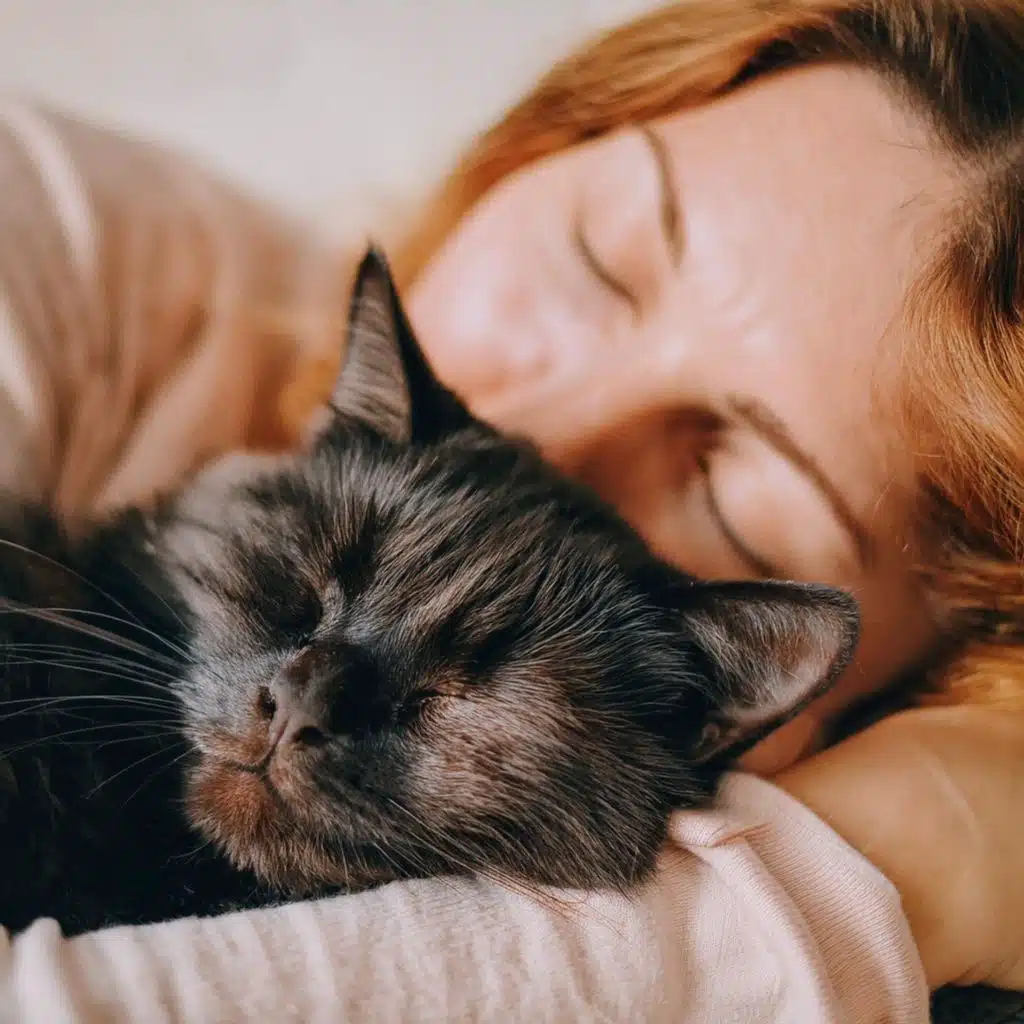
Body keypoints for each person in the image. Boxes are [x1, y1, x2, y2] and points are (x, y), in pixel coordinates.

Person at [2, 1, 1024, 1020]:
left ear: (917, 693)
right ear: (535, 149)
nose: (539, 434)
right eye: (596, 260)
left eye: (733, 495)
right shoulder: (49, 223)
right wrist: (879, 887)